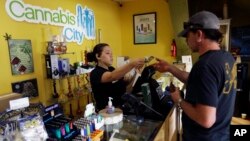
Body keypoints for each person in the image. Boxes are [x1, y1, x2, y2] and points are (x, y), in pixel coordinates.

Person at [153, 11, 237, 141]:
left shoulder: (205, 66)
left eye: (187, 35)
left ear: (199, 34)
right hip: (222, 135)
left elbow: (206, 119)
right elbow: (201, 83)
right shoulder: (227, 58)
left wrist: (179, 100)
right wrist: (170, 68)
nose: (186, 40)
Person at [87, 43, 145, 111]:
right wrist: (131, 64)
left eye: (112, 53)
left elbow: (126, 90)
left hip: (120, 110)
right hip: (106, 113)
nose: (111, 55)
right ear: (98, 56)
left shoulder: (112, 69)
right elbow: (112, 76)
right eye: (108, 53)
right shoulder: (95, 73)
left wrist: (136, 74)